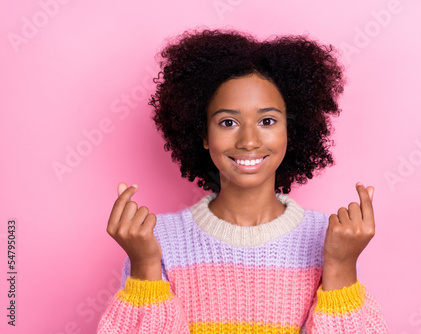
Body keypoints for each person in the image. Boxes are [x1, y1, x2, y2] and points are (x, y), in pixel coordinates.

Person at [97, 28, 389, 333]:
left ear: (291, 131)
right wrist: (145, 266)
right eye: (228, 122)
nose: (249, 141)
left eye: (267, 121)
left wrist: (341, 268)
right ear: (203, 135)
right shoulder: (155, 242)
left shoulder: (332, 239)